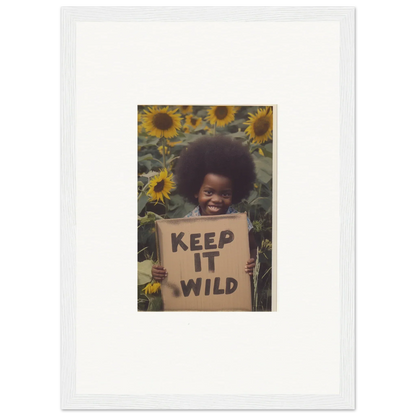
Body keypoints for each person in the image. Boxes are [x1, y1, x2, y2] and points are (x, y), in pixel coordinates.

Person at [152, 135, 257, 281]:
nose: (216, 199)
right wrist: (160, 271)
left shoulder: (241, 224)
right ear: (196, 190)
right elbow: (174, 260)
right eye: (209, 192)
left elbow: (252, 247)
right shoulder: (186, 224)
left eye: (225, 194)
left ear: (235, 193)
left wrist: (252, 262)